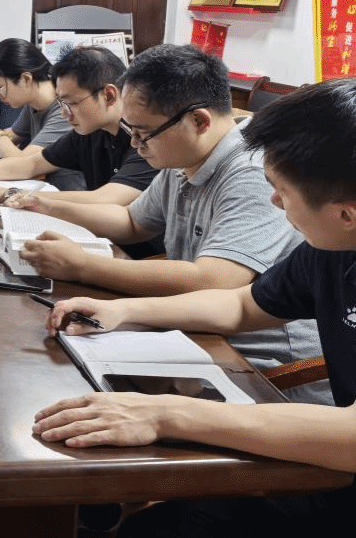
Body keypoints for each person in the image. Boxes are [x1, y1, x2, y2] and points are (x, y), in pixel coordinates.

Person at [33, 78, 356, 536]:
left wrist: (164, 415)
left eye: (282, 190)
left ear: (346, 214)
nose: (273, 201)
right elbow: (242, 305)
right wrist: (126, 312)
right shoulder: (332, 248)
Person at [17, 44, 323, 388]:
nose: (135, 144)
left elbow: (215, 279)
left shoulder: (252, 173)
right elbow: (133, 222)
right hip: (197, 327)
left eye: (143, 133)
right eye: (130, 131)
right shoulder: (183, 157)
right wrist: (48, 206)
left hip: (259, 362)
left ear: (199, 121)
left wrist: (83, 266)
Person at [0, 45, 157, 207]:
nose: (64, 114)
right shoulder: (88, 132)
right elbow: (31, 165)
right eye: (61, 103)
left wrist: (6, 194)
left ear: (109, 95)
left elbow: (104, 199)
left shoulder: (145, 138)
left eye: (72, 103)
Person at [0, 38, 84, 190]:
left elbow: (24, 164)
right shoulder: (33, 104)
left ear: (26, 79)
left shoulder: (65, 111)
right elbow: (12, 135)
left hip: (66, 196)